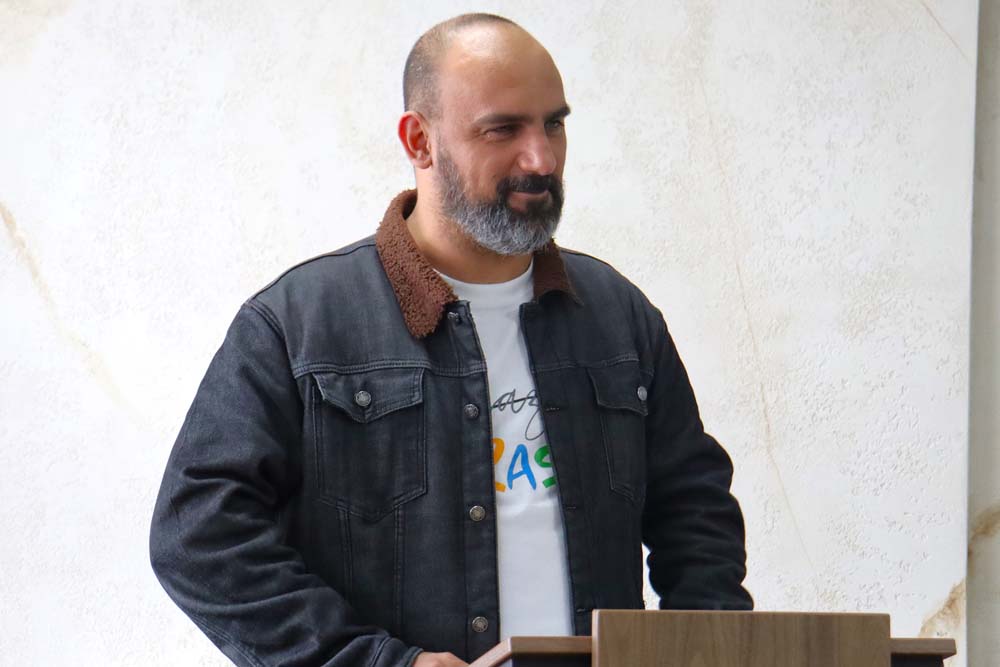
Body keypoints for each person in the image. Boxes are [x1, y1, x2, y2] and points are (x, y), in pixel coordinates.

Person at [149, 12, 752, 667]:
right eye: (503, 129)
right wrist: (374, 661)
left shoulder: (618, 315)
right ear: (420, 141)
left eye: (554, 124)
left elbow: (697, 513)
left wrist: (705, 651)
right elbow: (198, 536)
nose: (542, 159)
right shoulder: (299, 324)